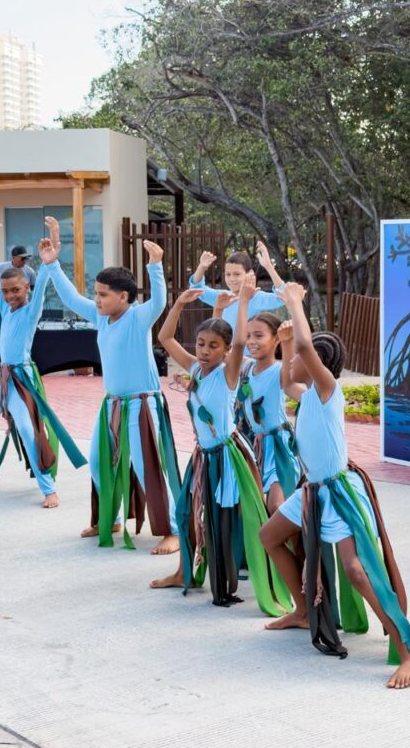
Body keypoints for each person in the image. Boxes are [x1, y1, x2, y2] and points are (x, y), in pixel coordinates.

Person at [259, 282, 410, 689]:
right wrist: (286, 343)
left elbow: (304, 348)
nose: (294, 362)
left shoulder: (328, 391)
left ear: (316, 364)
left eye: (299, 358)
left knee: (356, 569)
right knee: (270, 536)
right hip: (312, 492)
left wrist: (295, 305)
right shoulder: (306, 395)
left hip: (339, 493)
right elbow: (286, 382)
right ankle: (303, 610)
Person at [151, 277, 291, 617]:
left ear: (227, 351)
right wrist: (179, 303)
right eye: (201, 344)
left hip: (229, 454)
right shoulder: (195, 368)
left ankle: (253, 579)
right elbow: (165, 338)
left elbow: (240, 341)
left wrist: (242, 303)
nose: (204, 350)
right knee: (185, 513)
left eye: (213, 346)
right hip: (203, 455)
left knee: (228, 519)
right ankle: (185, 572)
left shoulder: (227, 374)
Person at [40, 218, 182, 553]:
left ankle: (174, 529)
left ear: (124, 297)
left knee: (146, 467)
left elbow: (159, 302)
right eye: (96, 293)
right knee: (98, 461)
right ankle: (112, 518)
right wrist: (52, 265)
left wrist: (155, 266)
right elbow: (71, 299)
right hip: (113, 404)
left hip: (142, 404)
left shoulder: (138, 317)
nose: (97, 299)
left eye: (103, 295)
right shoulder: (101, 317)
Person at [0, 218, 86, 506]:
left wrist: (54, 243)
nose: (10, 296)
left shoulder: (31, 311)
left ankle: (48, 488)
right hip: (5, 379)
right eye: (5, 291)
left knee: (29, 430)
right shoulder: (5, 308)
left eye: (15, 290)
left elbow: (43, 279)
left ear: (26, 288)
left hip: (23, 381)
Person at [231, 301, 301, 513]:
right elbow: (232, 345)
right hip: (253, 445)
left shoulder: (278, 371)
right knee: (255, 508)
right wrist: (238, 302)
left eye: (259, 335)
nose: (251, 341)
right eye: (249, 335)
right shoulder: (246, 367)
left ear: (276, 339)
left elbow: (290, 378)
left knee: (276, 506)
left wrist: (288, 341)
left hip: (278, 446)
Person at [188, 242, 286, 327]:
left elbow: (283, 296)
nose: (232, 279)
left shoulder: (256, 297)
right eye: (228, 274)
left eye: (237, 274)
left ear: (250, 273)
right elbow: (196, 289)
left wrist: (268, 266)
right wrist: (202, 267)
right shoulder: (223, 297)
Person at [0, 245, 38, 374]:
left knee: (24, 340)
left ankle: (24, 364)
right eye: (22, 258)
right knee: (2, 337)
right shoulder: (1, 267)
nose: (24, 261)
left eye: (26, 258)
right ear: (14, 258)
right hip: (7, 310)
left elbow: (34, 291)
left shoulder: (30, 272)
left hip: (23, 311)